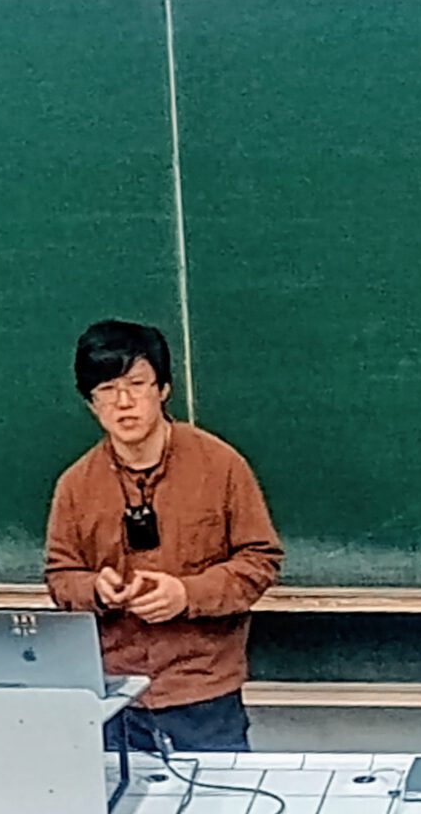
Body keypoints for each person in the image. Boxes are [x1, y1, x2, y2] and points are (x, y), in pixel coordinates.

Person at [44, 319, 283, 752]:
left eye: (137, 384)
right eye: (106, 391)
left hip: (204, 691)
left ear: (164, 389)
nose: (124, 403)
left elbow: (259, 560)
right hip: (114, 693)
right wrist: (94, 589)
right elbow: (60, 577)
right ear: (91, 404)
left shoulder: (220, 465)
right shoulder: (76, 485)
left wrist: (187, 594)